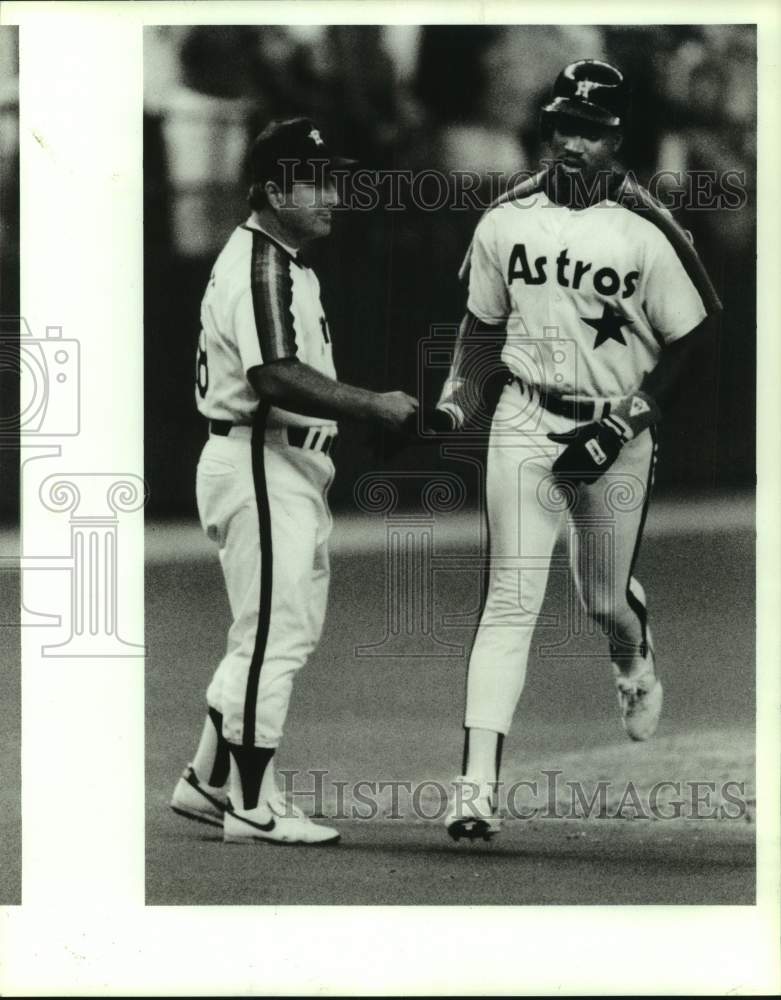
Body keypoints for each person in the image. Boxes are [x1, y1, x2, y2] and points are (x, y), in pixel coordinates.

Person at [434, 61, 722, 841]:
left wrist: (629, 417)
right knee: (508, 601)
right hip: (525, 418)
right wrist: (462, 389)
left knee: (602, 600)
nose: (569, 140)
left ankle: (633, 659)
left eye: (588, 129)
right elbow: (481, 321)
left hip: (614, 432)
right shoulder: (507, 215)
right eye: (561, 124)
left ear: (616, 136)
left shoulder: (646, 228)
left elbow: (696, 339)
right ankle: (474, 788)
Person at [171, 117, 418, 845]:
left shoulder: (280, 261)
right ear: (275, 187)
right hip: (258, 456)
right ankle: (252, 804)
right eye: (316, 179)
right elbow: (273, 375)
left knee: (287, 629)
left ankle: (205, 779)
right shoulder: (260, 264)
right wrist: (371, 404)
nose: (332, 194)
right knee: (271, 633)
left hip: (281, 460)